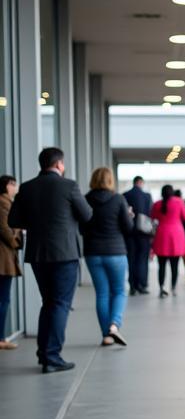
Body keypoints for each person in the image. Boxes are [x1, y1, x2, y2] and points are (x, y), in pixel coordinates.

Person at [7, 147, 92, 373]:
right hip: (64, 254)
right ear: (59, 164)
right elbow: (87, 215)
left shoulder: (27, 187)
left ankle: (44, 353)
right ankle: (52, 357)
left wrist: (37, 223)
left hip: (38, 253)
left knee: (49, 303)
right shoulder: (69, 186)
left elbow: (13, 219)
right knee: (61, 304)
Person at [81, 167, 132, 346]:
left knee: (102, 293)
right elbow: (128, 227)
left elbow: (82, 228)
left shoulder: (85, 199)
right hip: (116, 251)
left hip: (93, 252)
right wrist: (129, 216)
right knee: (118, 291)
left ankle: (106, 335)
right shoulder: (118, 199)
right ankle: (114, 325)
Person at [150, 184, 185, 297]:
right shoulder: (179, 202)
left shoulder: (157, 204)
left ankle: (162, 288)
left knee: (161, 265)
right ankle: (173, 288)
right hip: (177, 235)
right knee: (175, 265)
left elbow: (153, 217)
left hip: (162, 235)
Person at [0, 174, 23, 350]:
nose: (15, 187)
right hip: (3, 260)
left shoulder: (8, 203)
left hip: (6, 257)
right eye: (12, 184)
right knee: (3, 299)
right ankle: (0, 338)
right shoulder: (2, 203)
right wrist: (16, 241)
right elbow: (6, 230)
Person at [123, 175, 153, 295]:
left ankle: (132, 286)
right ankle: (142, 285)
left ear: (134, 183)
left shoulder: (125, 195)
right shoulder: (147, 196)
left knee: (131, 259)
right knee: (143, 259)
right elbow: (151, 213)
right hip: (144, 233)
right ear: (141, 183)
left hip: (129, 232)